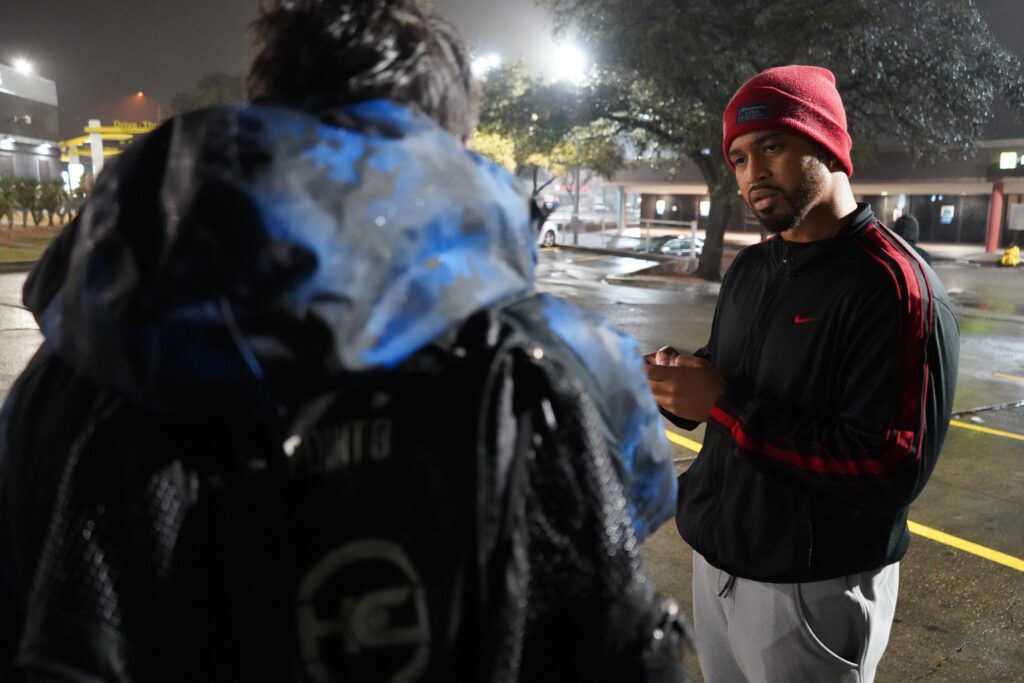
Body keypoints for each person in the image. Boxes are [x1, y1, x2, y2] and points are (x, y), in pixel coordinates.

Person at [0, 1, 683, 680]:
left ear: (260, 109)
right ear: (453, 142)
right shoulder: (573, 362)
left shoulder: (74, 370)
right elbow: (615, 561)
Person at [645, 65, 959, 682]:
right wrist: (675, 385)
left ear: (828, 145)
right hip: (720, 566)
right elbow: (726, 381)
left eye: (772, 146)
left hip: (812, 589)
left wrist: (724, 404)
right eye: (737, 157)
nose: (752, 173)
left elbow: (886, 468)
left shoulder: (893, 287)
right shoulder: (754, 267)